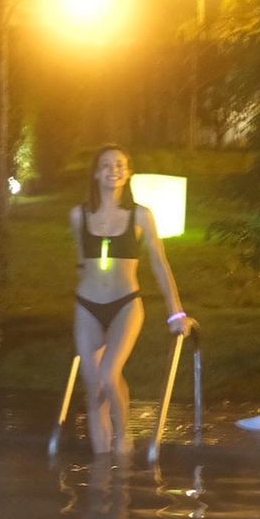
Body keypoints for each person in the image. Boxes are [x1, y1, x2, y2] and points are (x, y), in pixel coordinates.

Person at [69, 145, 191, 455]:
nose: (114, 170)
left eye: (120, 165)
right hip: (87, 305)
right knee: (93, 385)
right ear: (96, 173)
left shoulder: (140, 215)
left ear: (128, 173)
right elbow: (81, 260)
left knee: (109, 375)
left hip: (125, 303)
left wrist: (176, 312)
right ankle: (101, 465)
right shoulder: (79, 215)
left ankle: (124, 436)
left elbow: (159, 264)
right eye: (106, 165)